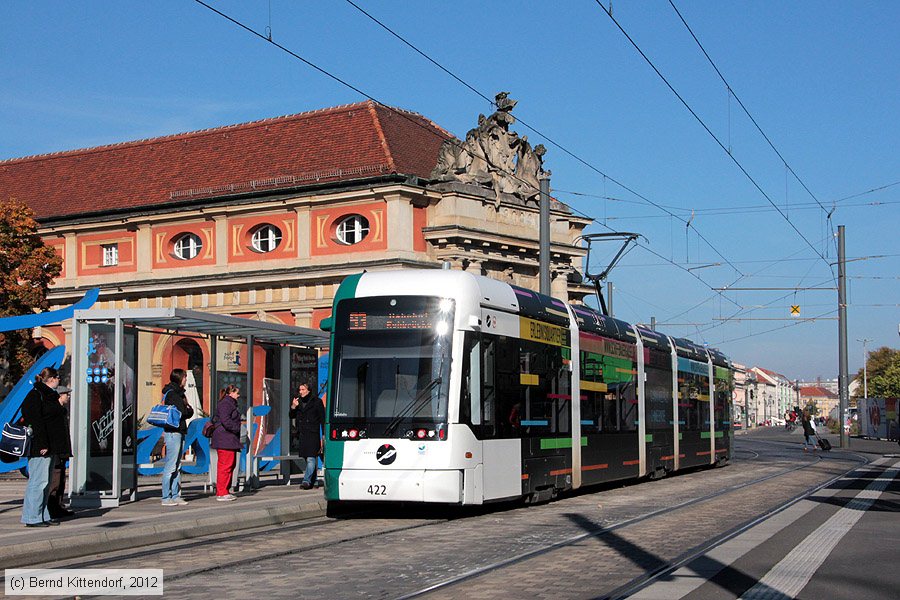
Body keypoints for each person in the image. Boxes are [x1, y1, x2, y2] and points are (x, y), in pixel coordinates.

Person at [20, 367, 72, 527]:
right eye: (58, 378)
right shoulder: (36, 395)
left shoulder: (48, 396)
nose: (59, 381)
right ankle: (32, 517)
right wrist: (42, 443)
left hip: (50, 446)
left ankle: (42, 514)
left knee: (46, 482)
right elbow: (35, 421)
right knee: (38, 482)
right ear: (51, 379)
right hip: (40, 447)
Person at [160, 368, 194, 506]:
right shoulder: (173, 394)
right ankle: (165, 497)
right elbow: (183, 411)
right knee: (171, 465)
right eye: (185, 377)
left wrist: (187, 409)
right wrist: (188, 409)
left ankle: (175, 495)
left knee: (177, 465)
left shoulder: (178, 393)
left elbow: (185, 411)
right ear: (180, 378)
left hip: (178, 431)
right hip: (173, 432)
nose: (186, 380)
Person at [289, 382, 324, 489]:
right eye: (300, 390)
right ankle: (313, 481)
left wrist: (324, 435)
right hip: (303, 434)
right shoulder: (298, 402)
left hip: (313, 434)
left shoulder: (317, 401)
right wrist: (293, 407)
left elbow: (322, 418)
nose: (301, 392)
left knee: (311, 458)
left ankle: (306, 480)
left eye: (303, 389)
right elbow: (291, 416)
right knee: (306, 457)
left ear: (308, 390)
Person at [47, 385, 75, 519]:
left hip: (62, 451)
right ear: (59, 395)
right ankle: (52, 509)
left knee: (61, 480)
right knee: (55, 481)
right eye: (66, 395)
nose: (68, 397)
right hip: (56, 451)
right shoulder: (54, 411)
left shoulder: (62, 410)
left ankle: (58, 506)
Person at [210, 385, 241, 501]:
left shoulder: (228, 403)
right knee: (225, 465)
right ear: (231, 393)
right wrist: (236, 428)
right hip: (225, 439)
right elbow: (225, 420)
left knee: (229, 465)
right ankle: (222, 492)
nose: (238, 395)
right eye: (237, 393)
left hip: (227, 439)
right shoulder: (226, 404)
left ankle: (225, 491)